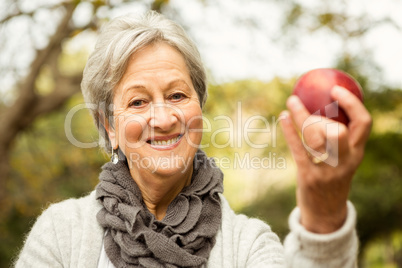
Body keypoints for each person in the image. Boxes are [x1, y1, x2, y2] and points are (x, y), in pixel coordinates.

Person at [15, 11, 371, 268]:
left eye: (177, 96)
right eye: (138, 101)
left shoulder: (248, 245)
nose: (164, 118)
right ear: (109, 127)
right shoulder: (61, 234)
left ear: (199, 109)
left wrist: (324, 217)